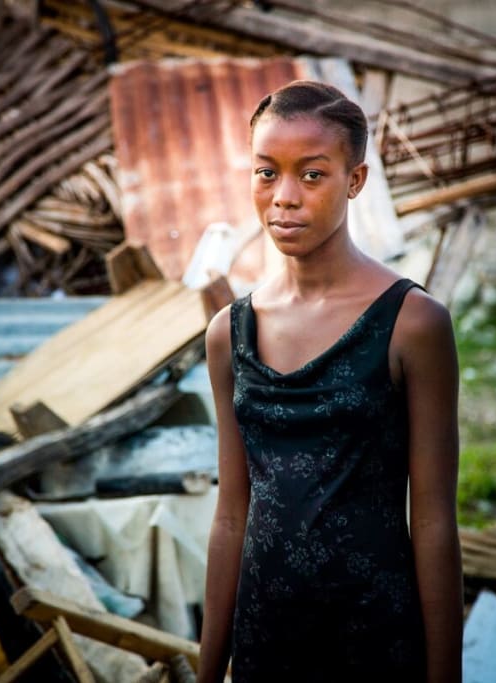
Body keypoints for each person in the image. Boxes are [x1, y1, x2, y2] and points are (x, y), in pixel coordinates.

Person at [195, 80, 463, 683]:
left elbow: (434, 520)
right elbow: (231, 515)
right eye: (267, 173)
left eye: (311, 175)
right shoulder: (228, 334)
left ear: (356, 181)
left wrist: (446, 674)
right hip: (266, 634)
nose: (284, 197)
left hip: (375, 635)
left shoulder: (412, 324)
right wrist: (208, 671)